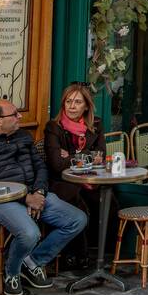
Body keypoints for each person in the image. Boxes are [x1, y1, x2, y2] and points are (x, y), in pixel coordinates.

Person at [0, 99, 88, 295]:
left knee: (77, 219)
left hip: (34, 194)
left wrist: (39, 192)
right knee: (30, 233)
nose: (20, 116)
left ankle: (32, 261)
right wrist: (26, 199)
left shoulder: (23, 137)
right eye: (14, 114)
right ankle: (11, 273)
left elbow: (40, 167)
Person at [43, 82, 107, 270]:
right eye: (68, 101)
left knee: (108, 202)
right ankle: (77, 254)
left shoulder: (96, 125)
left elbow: (101, 156)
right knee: (75, 198)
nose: (72, 106)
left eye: (77, 102)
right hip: (60, 181)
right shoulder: (53, 127)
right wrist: (87, 155)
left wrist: (72, 156)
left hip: (89, 179)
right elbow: (56, 164)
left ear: (86, 106)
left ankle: (98, 252)